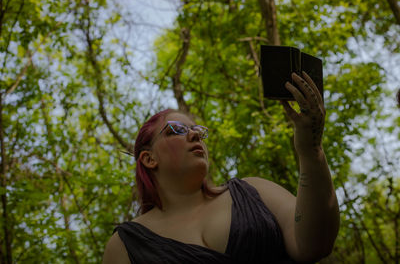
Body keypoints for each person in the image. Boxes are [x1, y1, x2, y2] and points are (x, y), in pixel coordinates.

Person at [102, 72, 340, 264]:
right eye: (177, 130)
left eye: (198, 130)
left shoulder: (255, 192)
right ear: (149, 158)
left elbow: (314, 246)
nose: (195, 134)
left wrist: (311, 151)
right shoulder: (125, 246)